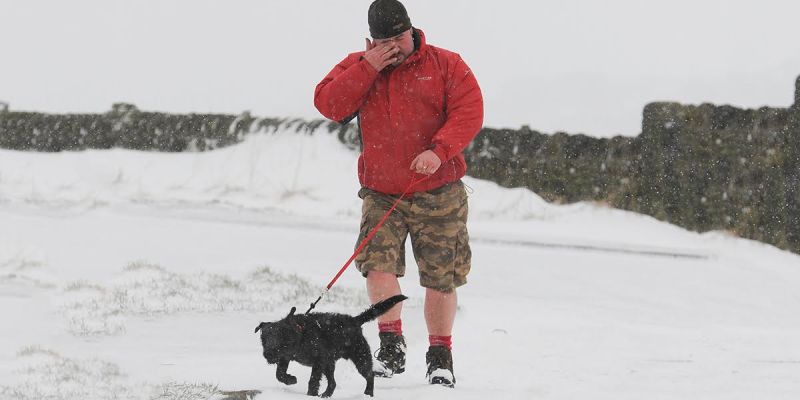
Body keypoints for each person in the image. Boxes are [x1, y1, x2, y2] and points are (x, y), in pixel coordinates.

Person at [314, 0, 483, 388]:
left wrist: (439, 151)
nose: (394, 47)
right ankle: (391, 347)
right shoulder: (360, 65)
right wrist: (368, 67)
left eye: (399, 39)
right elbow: (329, 104)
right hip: (381, 193)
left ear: (412, 31)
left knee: (440, 278)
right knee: (377, 266)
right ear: (370, 41)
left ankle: (440, 357)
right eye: (383, 42)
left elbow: (469, 111)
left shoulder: (446, 64)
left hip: (439, 191)